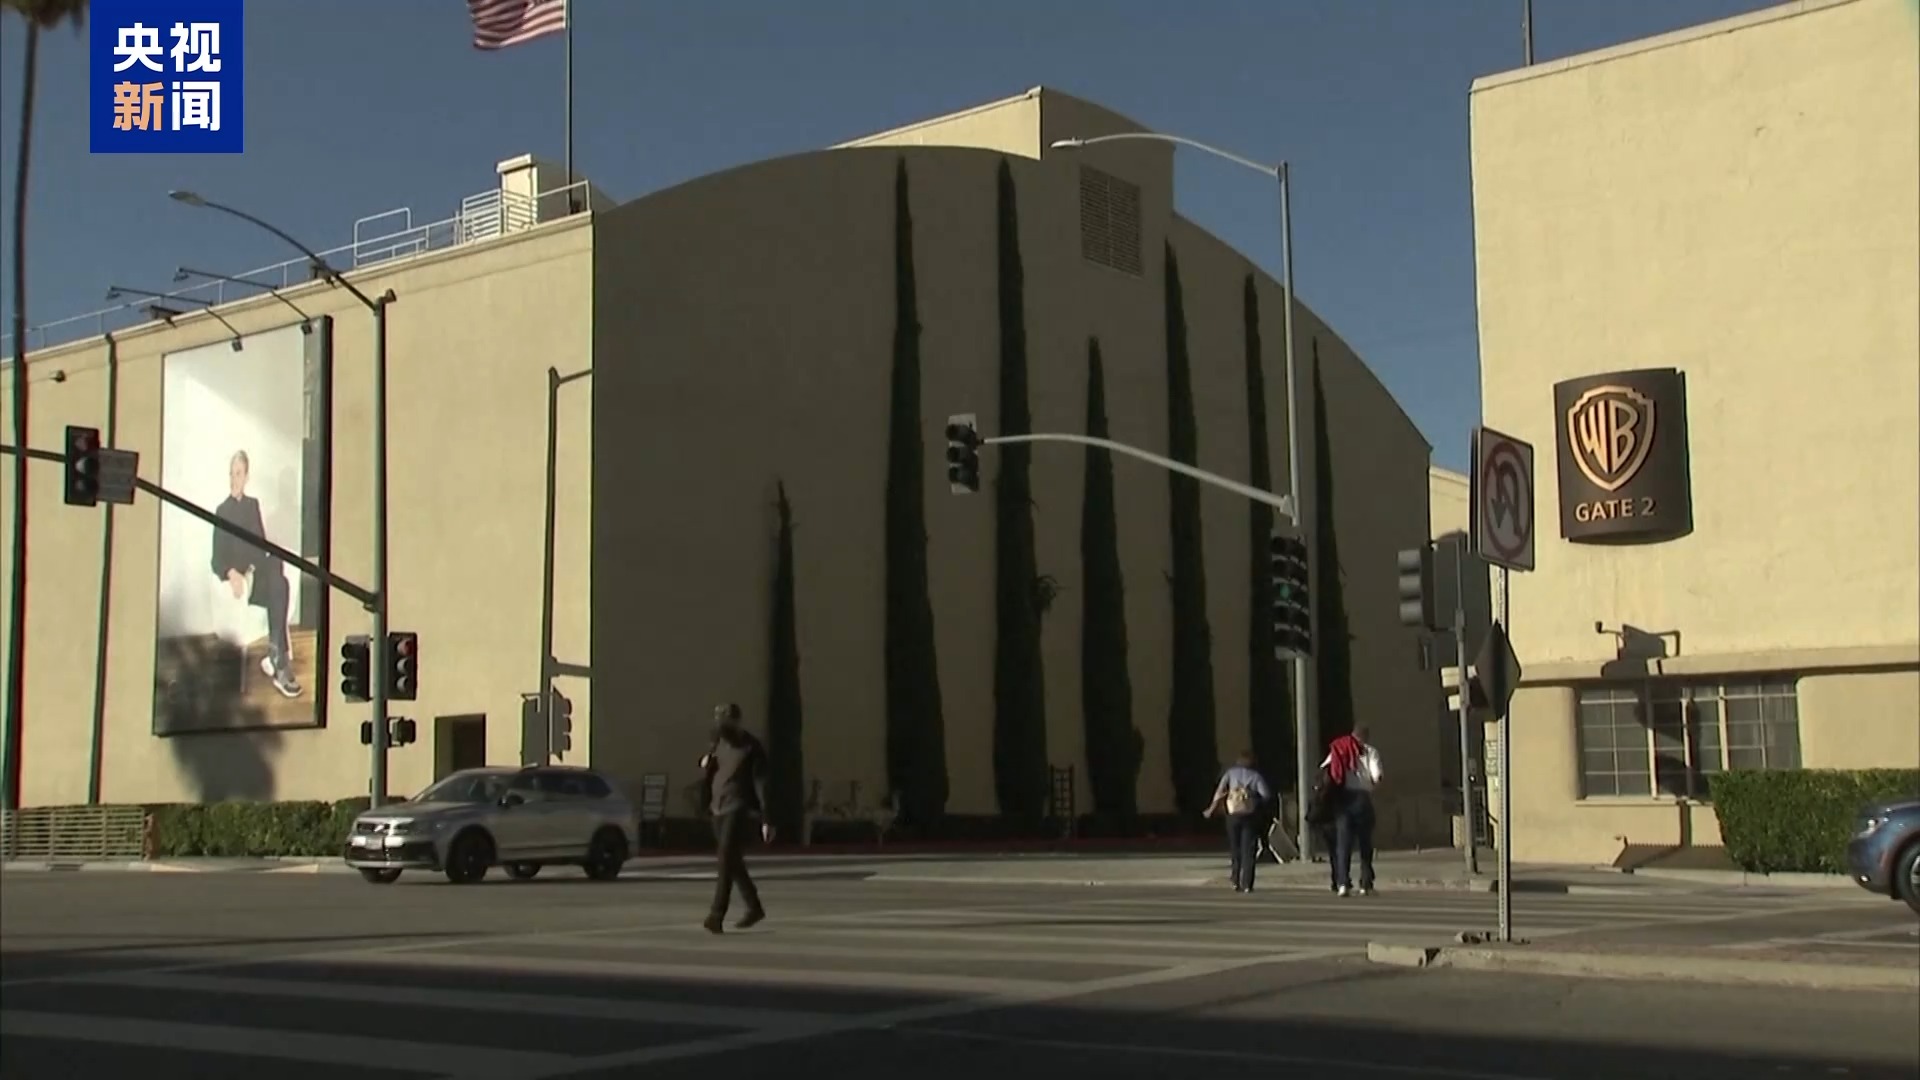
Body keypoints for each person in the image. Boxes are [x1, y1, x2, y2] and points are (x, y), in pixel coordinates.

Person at [210, 449, 300, 699]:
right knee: (279, 581)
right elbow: (216, 559)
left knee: (278, 575)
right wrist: (231, 572)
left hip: (256, 575)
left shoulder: (253, 505)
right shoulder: (222, 510)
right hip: (241, 584)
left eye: (239, 473)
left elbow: (260, 545)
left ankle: (277, 658)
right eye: (232, 473)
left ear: (246, 477)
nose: (234, 479)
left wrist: (253, 566)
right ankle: (280, 663)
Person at [698, 703, 773, 933]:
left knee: (725, 858)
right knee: (732, 861)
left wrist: (767, 818)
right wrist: (705, 764)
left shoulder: (752, 747)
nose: (721, 724)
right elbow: (712, 770)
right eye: (719, 720)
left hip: (738, 807)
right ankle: (754, 907)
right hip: (717, 807)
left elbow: (761, 783)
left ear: (737, 721)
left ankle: (716, 915)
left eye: (726, 720)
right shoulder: (718, 742)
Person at [1320, 725, 1384, 897]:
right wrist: (1372, 787)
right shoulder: (1370, 751)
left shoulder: (1339, 747)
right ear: (1366, 736)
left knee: (1343, 844)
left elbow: (1325, 769)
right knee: (1365, 843)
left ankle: (1343, 883)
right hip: (1362, 799)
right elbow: (1376, 776)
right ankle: (1366, 884)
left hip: (1342, 799)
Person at [1203, 751, 1272, 893]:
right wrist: (1254, 801)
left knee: (1235, 848)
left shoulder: (1230, 773)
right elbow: (1266, 795)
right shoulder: (1255, 776)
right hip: (1249, 816)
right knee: (1249, 849)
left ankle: (1235, 880)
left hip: (1233, 815)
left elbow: (1220, 792)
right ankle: (1247, 883)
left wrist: (1211, 809)